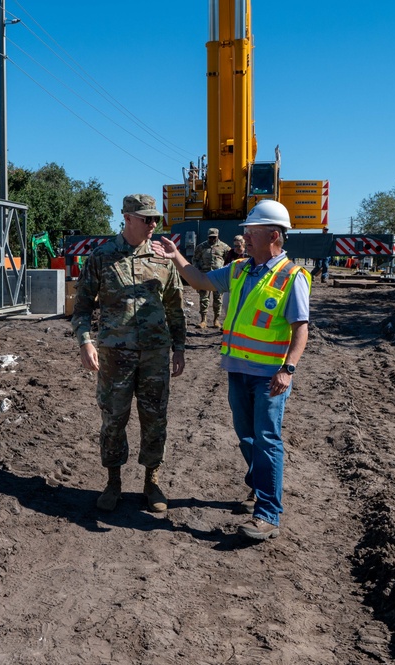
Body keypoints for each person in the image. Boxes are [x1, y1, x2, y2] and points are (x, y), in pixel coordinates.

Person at [151, 199, 310, 541]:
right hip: (237, 370)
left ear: (273, 235)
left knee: (267, 440)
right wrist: (176, 256)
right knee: (247, 436)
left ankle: (267, 515)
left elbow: (301, 328)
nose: (245, 239)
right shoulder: (239, 269)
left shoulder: (292, 276)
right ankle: (258, 486)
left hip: (270, 376)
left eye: (251, 233)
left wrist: (289, 369)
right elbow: (201, 281)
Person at [72, 193, 187, 513]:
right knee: (113, 419)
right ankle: (113, 482)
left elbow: (175, 306)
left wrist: (179, 347)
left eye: (155, 219)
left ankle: (152, 482)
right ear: (127, 219)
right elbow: (81, 308)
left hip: (154, 354)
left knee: (155, 419)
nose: (153, 224)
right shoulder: (101, 257)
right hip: (114, 355)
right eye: (147, 219)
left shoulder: (164, 257)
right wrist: (84, 341)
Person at [192, 229, 230, 328]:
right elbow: (195, 259)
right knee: (204, 299)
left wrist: (225, 271)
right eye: (210, 237)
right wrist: (196, 272)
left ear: (217, 236)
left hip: (218, 277)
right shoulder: (201, 247)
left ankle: (216, 320)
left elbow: (229, 260)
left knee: (218, 299)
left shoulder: (224, 247)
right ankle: (203, 320)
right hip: (205, 276)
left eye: (214, 237)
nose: (212, 239)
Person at [220, 235, 246, 319]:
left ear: (243, 244)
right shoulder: (231, 253)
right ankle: (228, 322)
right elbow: (226, 265)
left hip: (244, 283)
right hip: (231, 282)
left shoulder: (248, 254)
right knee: (226, 304)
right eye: (235, 246)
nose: (236, 248)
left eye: (238, 246)